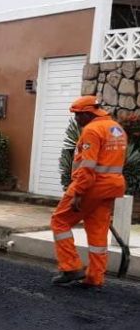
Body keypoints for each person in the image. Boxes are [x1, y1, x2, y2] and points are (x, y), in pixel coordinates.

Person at [50, 96, 127, 290]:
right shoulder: (116, 129)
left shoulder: (92, 130)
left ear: (87, 113)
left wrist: (78, 192)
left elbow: (88, 166)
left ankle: (71, 267)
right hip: (111, 187)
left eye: (77, 115)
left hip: (92, 186)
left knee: (60, 221)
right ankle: (94, 278)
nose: (76, 119)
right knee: (97, 230)